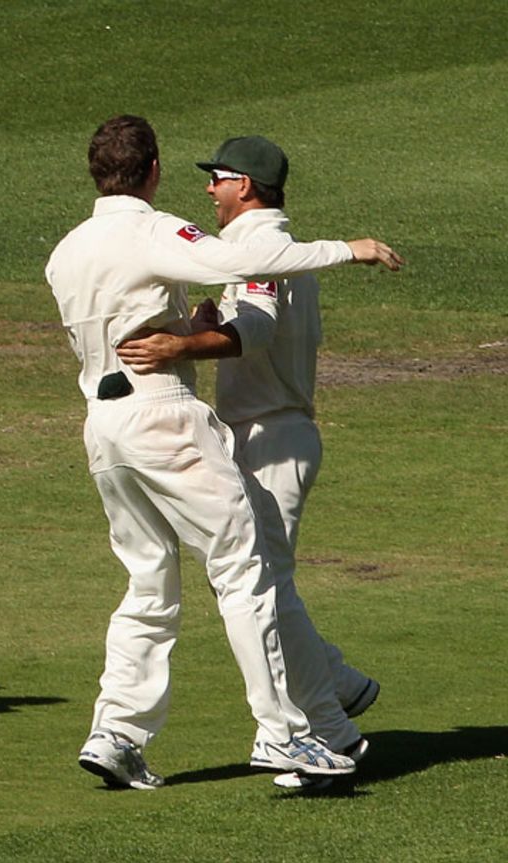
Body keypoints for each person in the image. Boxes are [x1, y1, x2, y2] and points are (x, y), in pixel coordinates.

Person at [43, 115, 403, 789]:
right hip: (163, 416)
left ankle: (117, 730)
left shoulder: (65, 249)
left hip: (104, 426)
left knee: (150, 578)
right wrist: (346, 248)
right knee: (248, 569)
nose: (204, 191)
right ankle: (288, 734)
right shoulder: (155, 230)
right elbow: (241, 264)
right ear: (151, 170)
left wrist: (186, 329)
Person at [114, 135, 381, 772]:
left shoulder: (255, 247)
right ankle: (337, 684)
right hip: (259, 432)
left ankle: (333, 726)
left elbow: (255, 332)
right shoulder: (261, 247)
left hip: (273, 434)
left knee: (262, 582)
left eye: (219, 178)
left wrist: (180, 348)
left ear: (248, 187)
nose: (208, 188)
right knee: (256, 580)